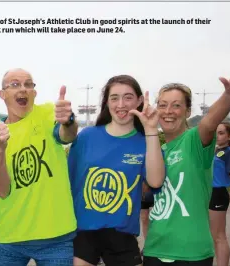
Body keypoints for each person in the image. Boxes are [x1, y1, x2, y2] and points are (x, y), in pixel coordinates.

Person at [0, 68, 78, 266]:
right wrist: (0, 148)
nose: (22, 89)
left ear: (34, 92)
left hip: (56, 235)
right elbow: (1, 190)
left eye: (28, 84)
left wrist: (69, 121)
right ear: (2, 94)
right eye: (15, 84)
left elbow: (67, 136)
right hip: (9, 237)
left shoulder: (47, 113)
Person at [67, 75, 165, 266]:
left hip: (122, 234)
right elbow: (69, 184)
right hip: (83, 232)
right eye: (114, 98)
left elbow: (155, 181)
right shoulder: (87, 137)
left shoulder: (145, 142)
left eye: (128, 97)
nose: (121, 104)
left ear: (139, 101)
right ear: (107, 102)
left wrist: (151, 130)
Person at [143, 72, 230, 266]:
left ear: (187, 111)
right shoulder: (156, 150)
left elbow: (209, 123)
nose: (168, 111)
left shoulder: (194, 140)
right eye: (162, 105)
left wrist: (229, 96)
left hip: (192, 253)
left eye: (176, 105)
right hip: (155, 249)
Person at [209, 121, 230, 266]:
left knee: (219, 236)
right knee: (213, 235)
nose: (217, 136)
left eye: (221, 133)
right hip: (209, 193)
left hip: (219, 193)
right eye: (216, 132)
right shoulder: (215, 150)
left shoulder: (229, 153)